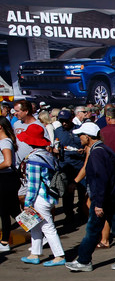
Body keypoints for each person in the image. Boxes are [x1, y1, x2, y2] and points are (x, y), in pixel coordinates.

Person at [65, 123, 115, 271]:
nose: (79, 138)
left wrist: (98, 203)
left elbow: (100, 179)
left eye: (81, 135)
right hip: (112, 197)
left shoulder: (97, 152)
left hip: (104, 199)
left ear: (88, 136)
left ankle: (84, 261)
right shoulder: (104, 149)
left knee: (92, 230)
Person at [15, 124, 65, 266]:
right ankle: (34, 254)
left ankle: (59, 256)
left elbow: (33, 184)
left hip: (40, 197)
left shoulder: (34, 158)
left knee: (47, 227)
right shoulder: (47, 155)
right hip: (47, 195)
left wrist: (27, 203)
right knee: (36, 225)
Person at [54, 109, 88, 228]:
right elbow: (55, 144)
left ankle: (83, 212)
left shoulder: (80, 128)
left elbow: (87, 143)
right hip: (65, 165)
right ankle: (69, 215)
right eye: (61, 121)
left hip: (80, 164)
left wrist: (84, 150)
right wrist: (55, 150)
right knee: (67, 193)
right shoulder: (58, 131)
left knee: (82, 190)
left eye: (66, 121)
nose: (64, 123)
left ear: (71, 118)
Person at [0, 118, 20, 253]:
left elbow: (7, 162)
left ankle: (4, 241)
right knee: (14, 211)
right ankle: (40, 231)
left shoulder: (5, 142)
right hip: (7, 179)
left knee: (5, 212)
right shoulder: (5, 141)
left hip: (6, 179)